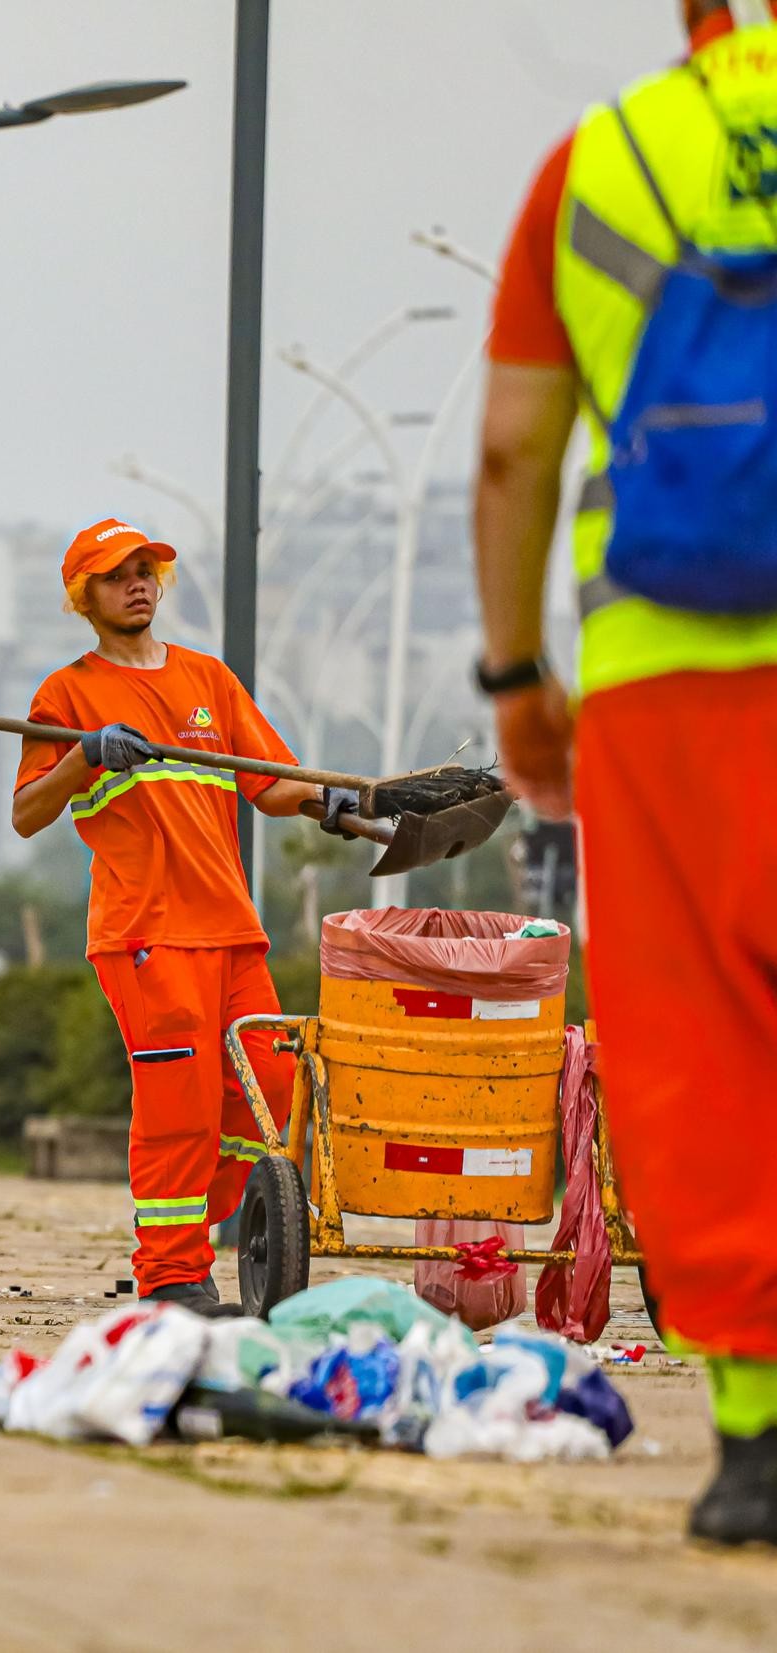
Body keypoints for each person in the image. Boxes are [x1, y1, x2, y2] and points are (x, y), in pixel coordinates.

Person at [473, 0, 777, 1545]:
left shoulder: (604, 164)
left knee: (706, 1046)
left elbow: (519, 451)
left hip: (674, 680)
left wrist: (520, 678)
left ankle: (756, 1435)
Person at [10, 519, 358, 1310]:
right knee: (180, 1108)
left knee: (266, 1090)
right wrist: (84, 754)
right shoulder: (66, 694)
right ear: (83, 597)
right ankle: (170, 1272)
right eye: (114, 574)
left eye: (146, 569)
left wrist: (331, 801)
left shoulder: (208, 680)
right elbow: (27, 812)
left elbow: (271, 782)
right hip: (145, 935)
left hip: (234, 932)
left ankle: (186, 1241)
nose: (137, 582)